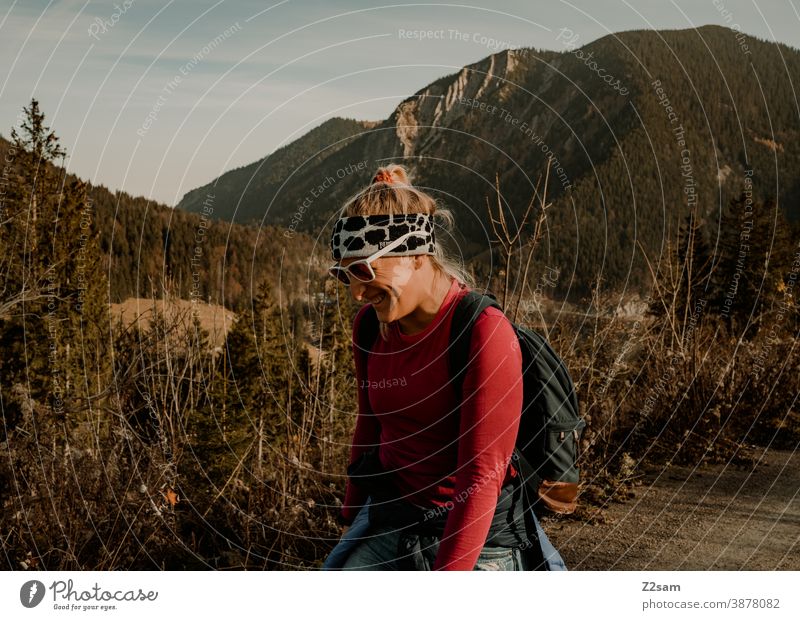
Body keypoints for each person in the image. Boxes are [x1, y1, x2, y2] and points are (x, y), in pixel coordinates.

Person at [322, 164, 565, 571]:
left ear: (416, 255)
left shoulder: (482, 332)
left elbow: (482, 475)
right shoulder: (370, 326)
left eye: (364, 270)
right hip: (394, 515)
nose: (356, 292)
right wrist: (351, 512)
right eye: (344, 273)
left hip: (478, 532)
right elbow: (370, 422)